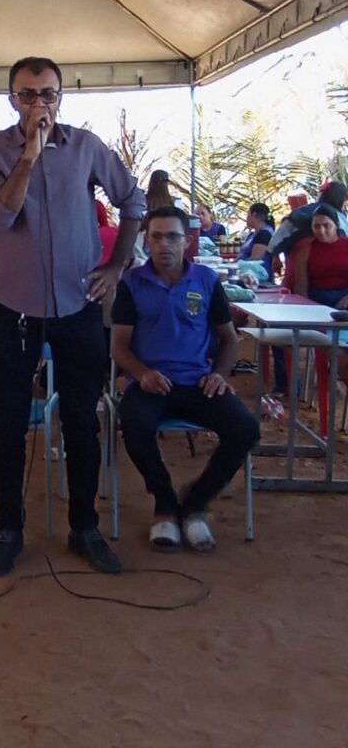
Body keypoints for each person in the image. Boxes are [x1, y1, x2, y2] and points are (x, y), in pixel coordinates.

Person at [0, 55, 146, 577]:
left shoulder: (87, 147)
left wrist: (117, 264)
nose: (38, 103)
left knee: (81, 421)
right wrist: (29, 154)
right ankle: (9, 529)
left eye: (47, 93)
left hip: (78, 304)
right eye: (27, 94)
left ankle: (84, 528)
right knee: (9, 425)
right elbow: (0, 218)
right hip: (14, 308)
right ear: (12, 99)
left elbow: (133, 200)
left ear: (61, 97)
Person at [111, 207, 260, 553]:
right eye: (156, 237)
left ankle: (195, 502)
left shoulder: (206, 280)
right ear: (146, 242)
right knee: (133, 425)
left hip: (198, 383)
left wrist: (219, 375)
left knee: (245, 429)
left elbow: (229, 338)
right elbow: (118, 346)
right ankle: (164, 503)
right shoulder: (131, 283)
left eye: (172, 237)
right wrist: (141, 374)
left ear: (187, 241)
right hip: (150, 384)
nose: (164, 244)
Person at [237, 202, 275, 279]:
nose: (246, 218)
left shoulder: (264, 234)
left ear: (253, 214)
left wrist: (236, 265)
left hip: (256, 276)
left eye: (248, 214)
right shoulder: (253, 234)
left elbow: (255, 259)